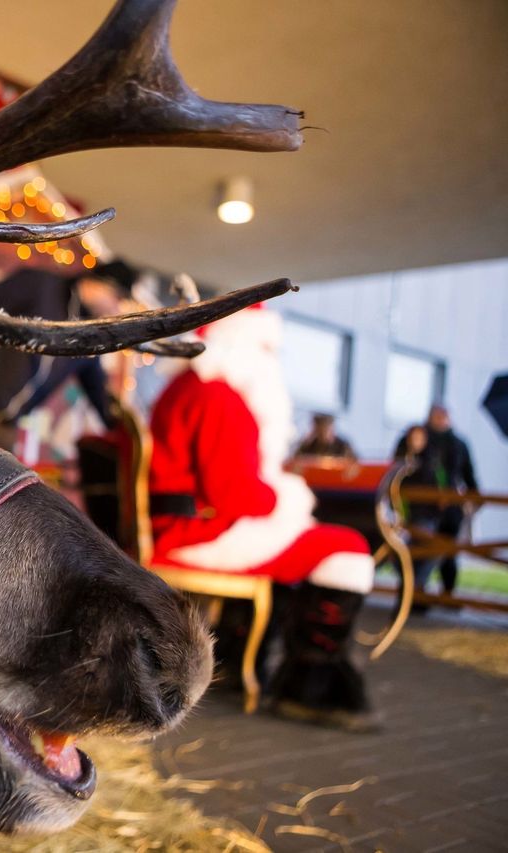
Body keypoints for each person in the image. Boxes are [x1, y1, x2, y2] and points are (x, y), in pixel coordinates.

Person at [148, 305, 379, 731]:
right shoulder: (220, 396)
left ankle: (236, 659)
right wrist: (287, 496)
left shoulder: (190, 386)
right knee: (348, 549)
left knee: (311, 542)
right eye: (268, 348)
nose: (273, 359)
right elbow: (238, 498)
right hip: (199, 533)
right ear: (243, 345)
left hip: (183, 526)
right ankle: (312, 688)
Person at [0, 264, 128, 448]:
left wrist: (117, 424)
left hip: (6, 424)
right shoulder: (41, 285)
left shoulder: (89, 335)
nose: (117, 308)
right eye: (117, 297)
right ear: (98, 284)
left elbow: (95, 385)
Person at [393, 405, 479, 596]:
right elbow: (399, 465)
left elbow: (467, 472)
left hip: (449, 509)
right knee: (418, 551)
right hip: (421, 507)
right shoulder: (419, 438)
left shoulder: (457, 444)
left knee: (445, 551)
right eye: (438, 416)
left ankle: (445, 593)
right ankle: (414, 593)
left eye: (444, 417)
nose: (441, 420)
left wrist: (475, 497)